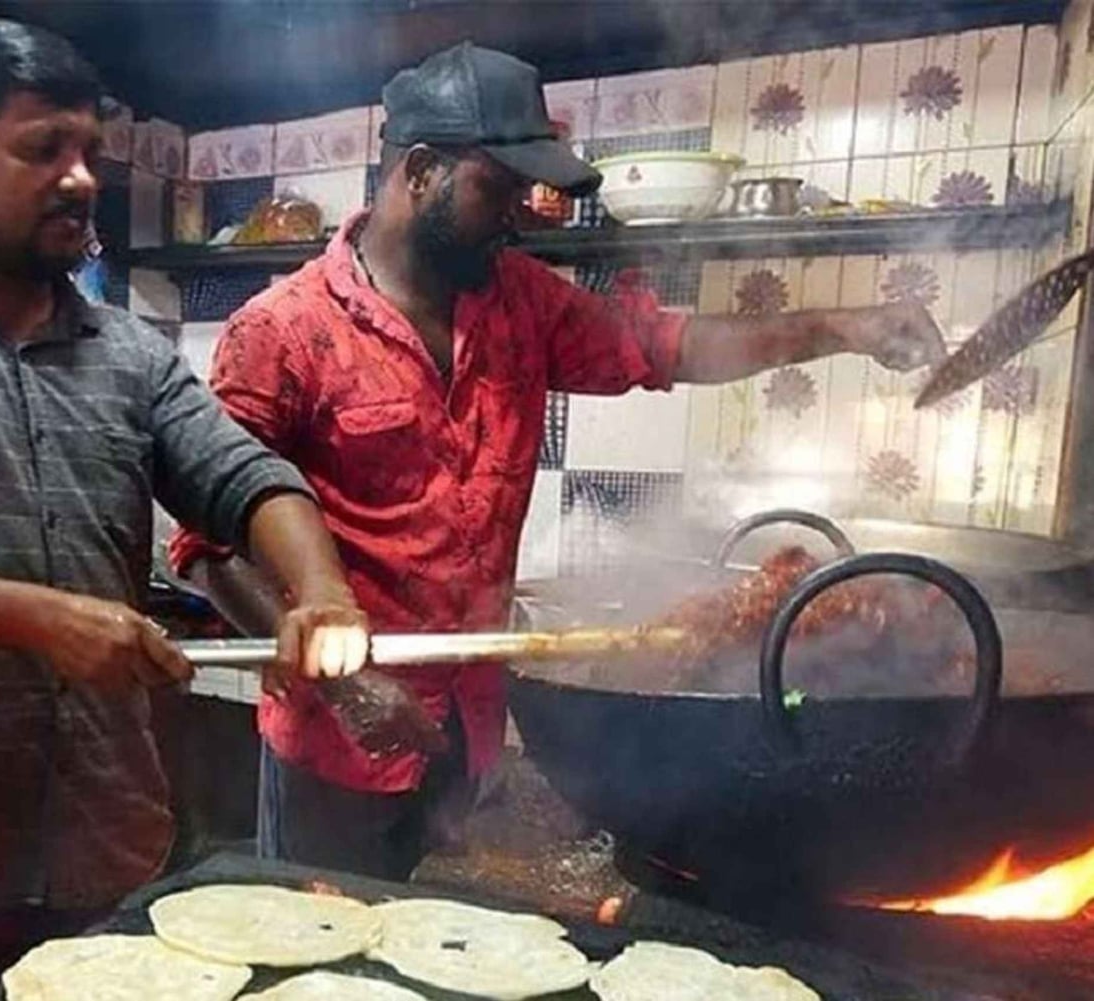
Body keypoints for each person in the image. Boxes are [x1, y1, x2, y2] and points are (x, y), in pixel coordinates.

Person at [168, 42, 948, 883]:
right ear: (422, 172)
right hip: (334, 750)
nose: (517, 214)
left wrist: (839, 327)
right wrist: (348, 688)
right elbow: (207, 550)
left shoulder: (523, 303)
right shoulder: (280, 331)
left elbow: (669, 346)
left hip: (466, 732)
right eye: (496, 189)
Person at [0, 19, 368, 1000]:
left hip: (113, 859)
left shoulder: (131, 354)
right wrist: (41, 618)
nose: (82, 177)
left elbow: (248, 476)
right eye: (42, 148)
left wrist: (321, 591)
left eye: (89, 151)